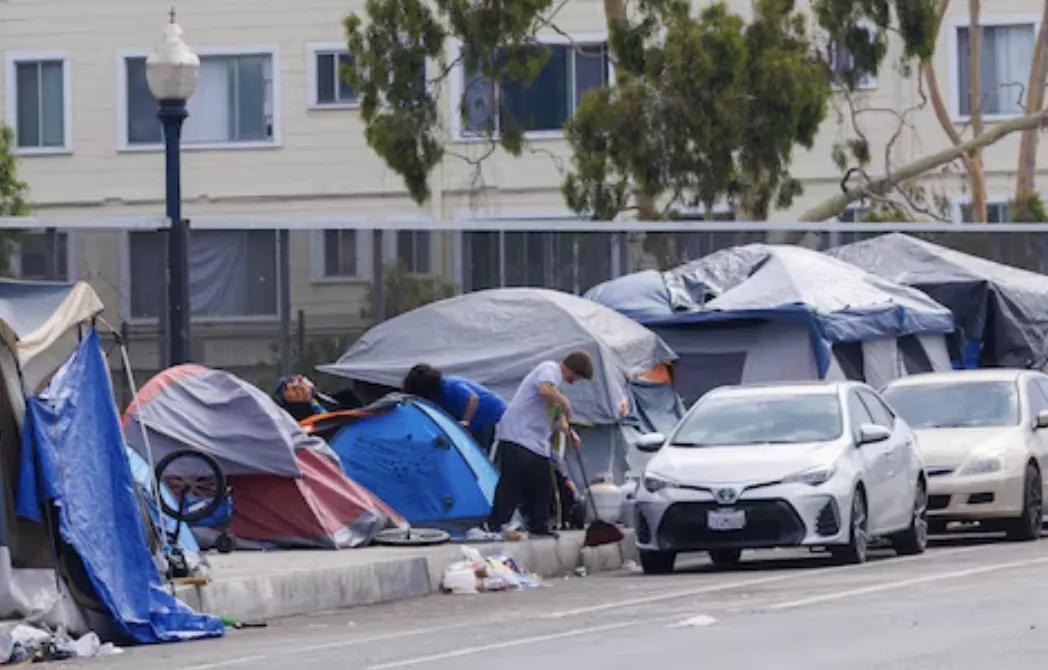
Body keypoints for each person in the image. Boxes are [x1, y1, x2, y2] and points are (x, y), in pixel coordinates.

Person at [485, 351, 595, 537]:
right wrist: (565, 402)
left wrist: (570, 433)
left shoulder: (556, 385)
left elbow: (556, 418)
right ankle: (496, 523)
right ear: (572, 370)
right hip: (518, 435)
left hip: (535, 442)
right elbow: (544, 389)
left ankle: (539, 525)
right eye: (577, 377)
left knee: (543, 484)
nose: (575, 381)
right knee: (512, 483)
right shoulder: (549, 369)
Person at [402, 364, 507, 451]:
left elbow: (473, 399)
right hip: (475, 421)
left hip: (490, 415)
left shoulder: (452, 384)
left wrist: (466, 421)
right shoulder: (434, 397)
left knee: (481, 448)